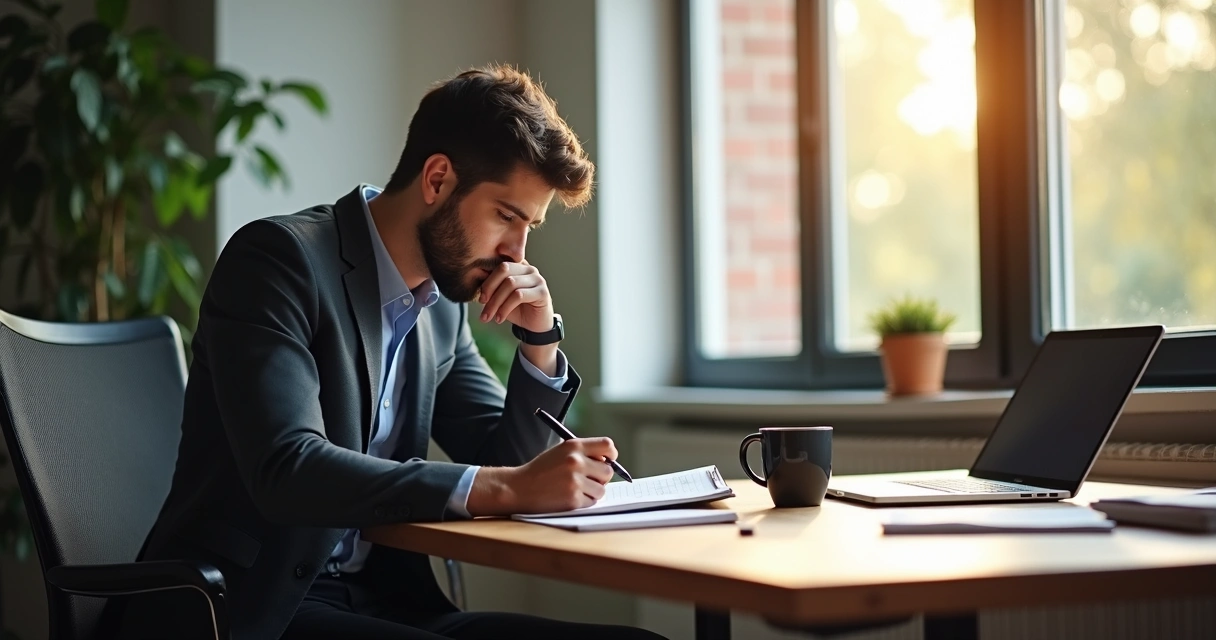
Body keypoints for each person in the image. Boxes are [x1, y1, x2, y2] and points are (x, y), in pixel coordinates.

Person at [115, 65, 668, 640]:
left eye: (529, 227)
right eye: (506, 216)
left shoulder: (442, 305)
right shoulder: (278, 262)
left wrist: (538, 339)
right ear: (437, 180)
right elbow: (288, 468)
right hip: (250, 607)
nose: (516, 254)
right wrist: (504, 486)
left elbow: (503, 458)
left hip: (387, 601)